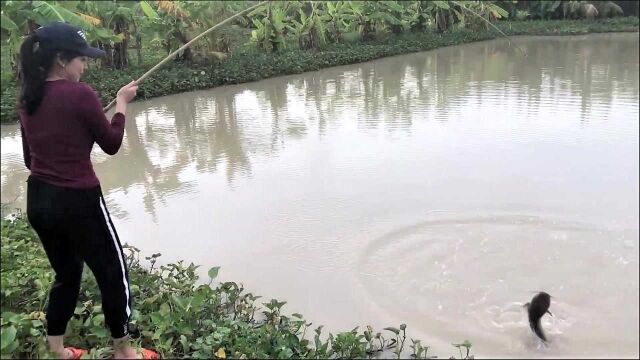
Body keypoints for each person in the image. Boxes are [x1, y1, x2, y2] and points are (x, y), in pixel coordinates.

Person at [18, 22, 157, 360]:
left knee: (66, 273)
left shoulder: (28, 98)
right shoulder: (81, 94)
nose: (85, 65)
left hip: (39, 201)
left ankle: (58, 350)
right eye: (82, 59)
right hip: (79, 202)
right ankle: (124, 352)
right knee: (113, 272)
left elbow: (29, 158)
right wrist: (121, 104)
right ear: (62, 60)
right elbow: (110, 143)